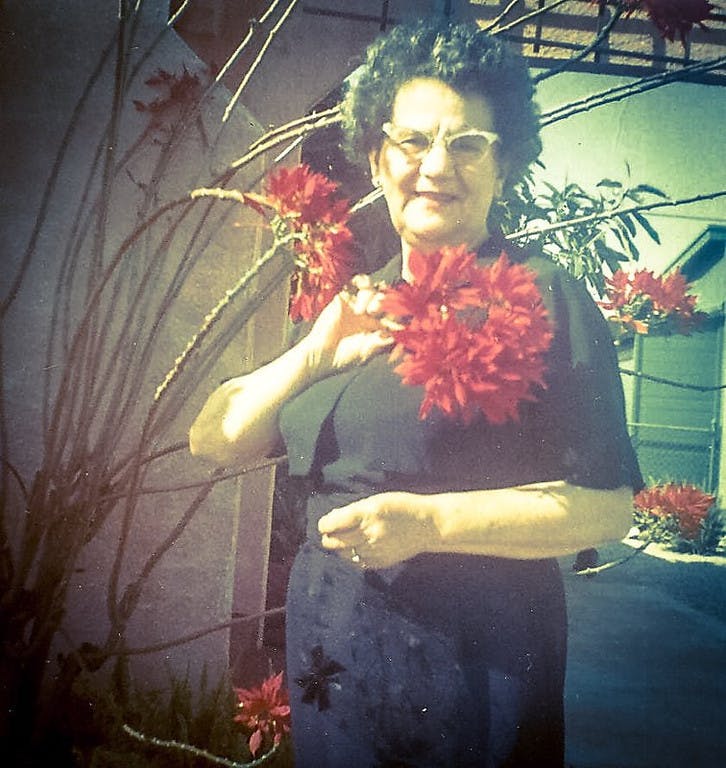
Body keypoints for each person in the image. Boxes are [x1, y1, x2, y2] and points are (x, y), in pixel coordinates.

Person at [190, 20, 642, 768]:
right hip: (335, 653)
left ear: (505, 167)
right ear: (375, 159)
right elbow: (212, 438)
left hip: (474, 664)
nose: (437, 165)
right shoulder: (357, 307)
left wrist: (430, 521)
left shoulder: (545, 293)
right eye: (412, 141)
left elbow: (607, 507)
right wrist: (311, 356)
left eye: (468, 144)